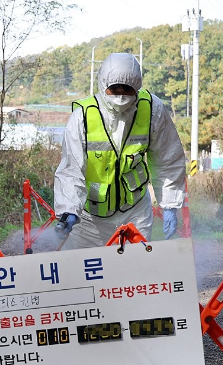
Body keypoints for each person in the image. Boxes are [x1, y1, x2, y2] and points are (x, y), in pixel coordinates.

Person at [53, 53, 186, 249]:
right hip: (89, 219)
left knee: (133, 274)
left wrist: (170, 204)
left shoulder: (152, 110)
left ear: (138, 86)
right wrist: (69, 209)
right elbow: (71, 168)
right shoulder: (83, 116)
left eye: (128, 89)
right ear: (102, 84)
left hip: (135, 213)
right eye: (114, 89)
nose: (121, 95)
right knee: (85, 274)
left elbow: (168, 159)